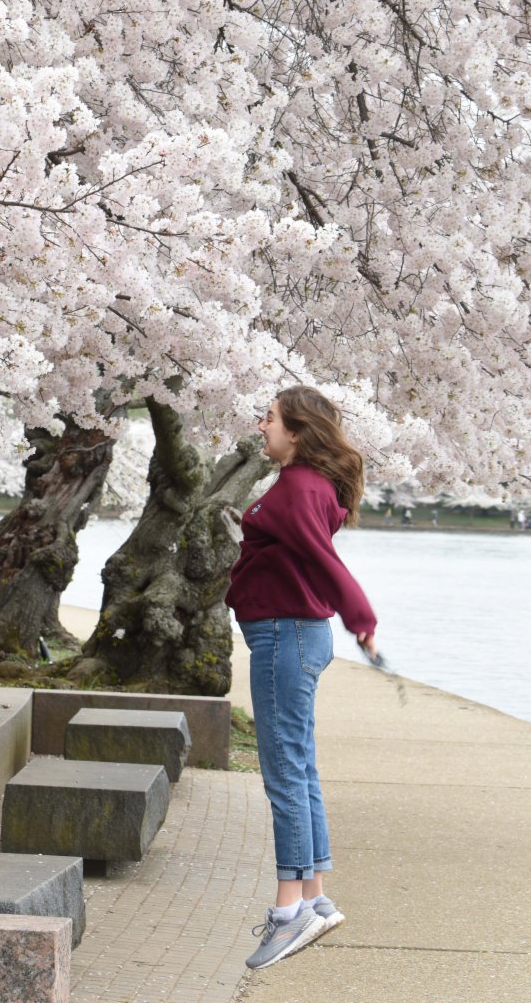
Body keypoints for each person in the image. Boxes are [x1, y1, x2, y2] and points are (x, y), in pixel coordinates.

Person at [226, 386, 377, 971]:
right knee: (300, 764)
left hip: (284, 635)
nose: (261, 424)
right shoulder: (307, 485)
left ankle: (290, 911)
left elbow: (324, 560)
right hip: (293, 633)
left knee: (284, 769)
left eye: (270, 418)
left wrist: (361, 617)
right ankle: (314, 895)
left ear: (298, 430)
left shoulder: (298, 488)